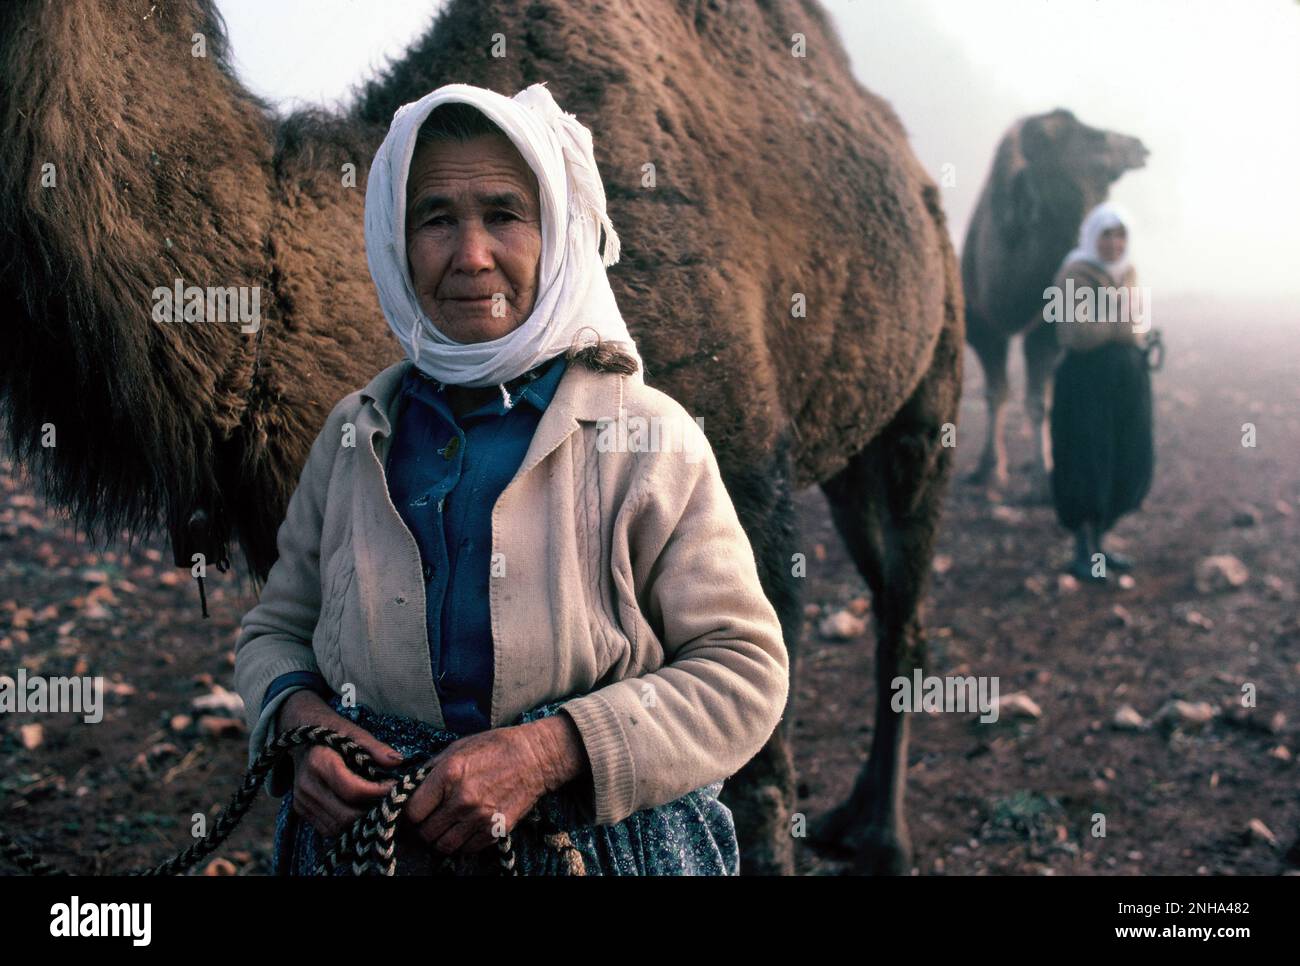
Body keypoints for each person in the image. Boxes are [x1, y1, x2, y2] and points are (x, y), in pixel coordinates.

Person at [232, 82, 789, 875]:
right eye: (435, 219)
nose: (471, 255)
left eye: (503, 214)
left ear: (557, 231)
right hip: (370, 851)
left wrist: (546, 754)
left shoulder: (647, 439)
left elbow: (744, 671)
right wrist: (298, 724)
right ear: (395, 240)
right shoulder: (355, 434)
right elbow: (276, 631)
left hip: (595, 852)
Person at [1048, 201, 1155, 583]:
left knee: (1124, 459)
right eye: (1107, 235)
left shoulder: (1127, 273)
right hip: (1086, 385)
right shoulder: (1074, 274)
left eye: (1120, 235)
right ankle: (1084, 553)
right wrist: (1123, 324)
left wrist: (1116, 323)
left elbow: (1137, 326)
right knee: (1086, 461)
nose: (1114, 243)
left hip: (1125, 385)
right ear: (1093, 237)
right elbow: (1078, 334)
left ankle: (1101, 545)